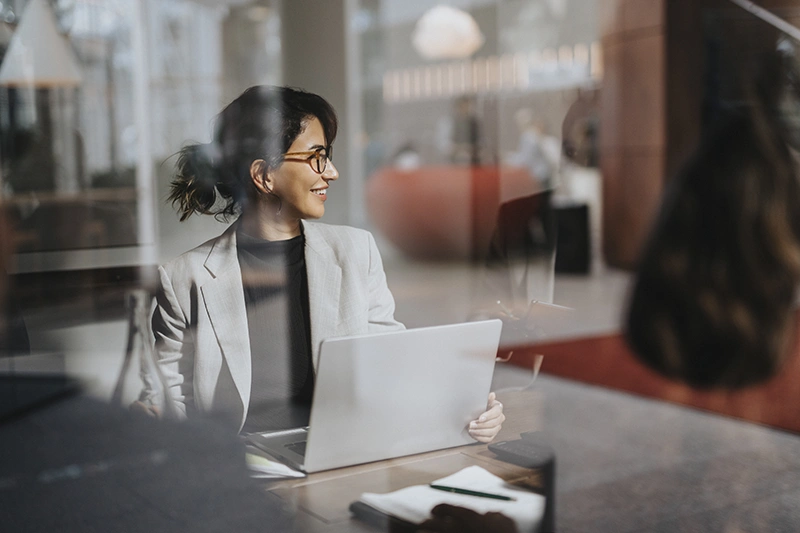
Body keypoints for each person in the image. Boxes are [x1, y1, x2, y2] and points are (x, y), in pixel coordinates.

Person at [135, 86, 504, 442]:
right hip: (238, 472)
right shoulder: (185, 278)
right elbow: (168, 401)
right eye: (317, 157)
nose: (332, 172)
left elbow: (390, 364)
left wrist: (464, 408)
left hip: (340, 455)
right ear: (264, 175)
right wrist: (150, 417)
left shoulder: (356, 252)